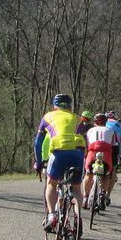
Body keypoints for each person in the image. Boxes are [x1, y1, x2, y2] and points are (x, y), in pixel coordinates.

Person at [33, 93, 88, 231]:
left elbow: (38, 143)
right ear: (70, 106)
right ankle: (77, 216)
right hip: (77, 154)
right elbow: (85, 141)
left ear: (54, 105)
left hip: (57, 153)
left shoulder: (47, 117)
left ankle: (51, 216)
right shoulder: (78, 118)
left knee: (51, 183)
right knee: (76, 187)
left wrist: (39, 162)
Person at [82, 113, 116, 210]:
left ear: (94, 122)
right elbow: (114, 146)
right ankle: (102, 195)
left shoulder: (90, 131)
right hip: (106, 155)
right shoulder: (111, 130)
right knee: (106, 176)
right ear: (106, 122)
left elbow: (87, 146)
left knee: (88, 174)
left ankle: (85, 197)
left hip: (92, 154)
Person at [105, 112, 121, 197]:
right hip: (115, 148)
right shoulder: (118, 125)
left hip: (102, 146)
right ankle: (108, 195)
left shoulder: (102, 122)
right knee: (113, 169)